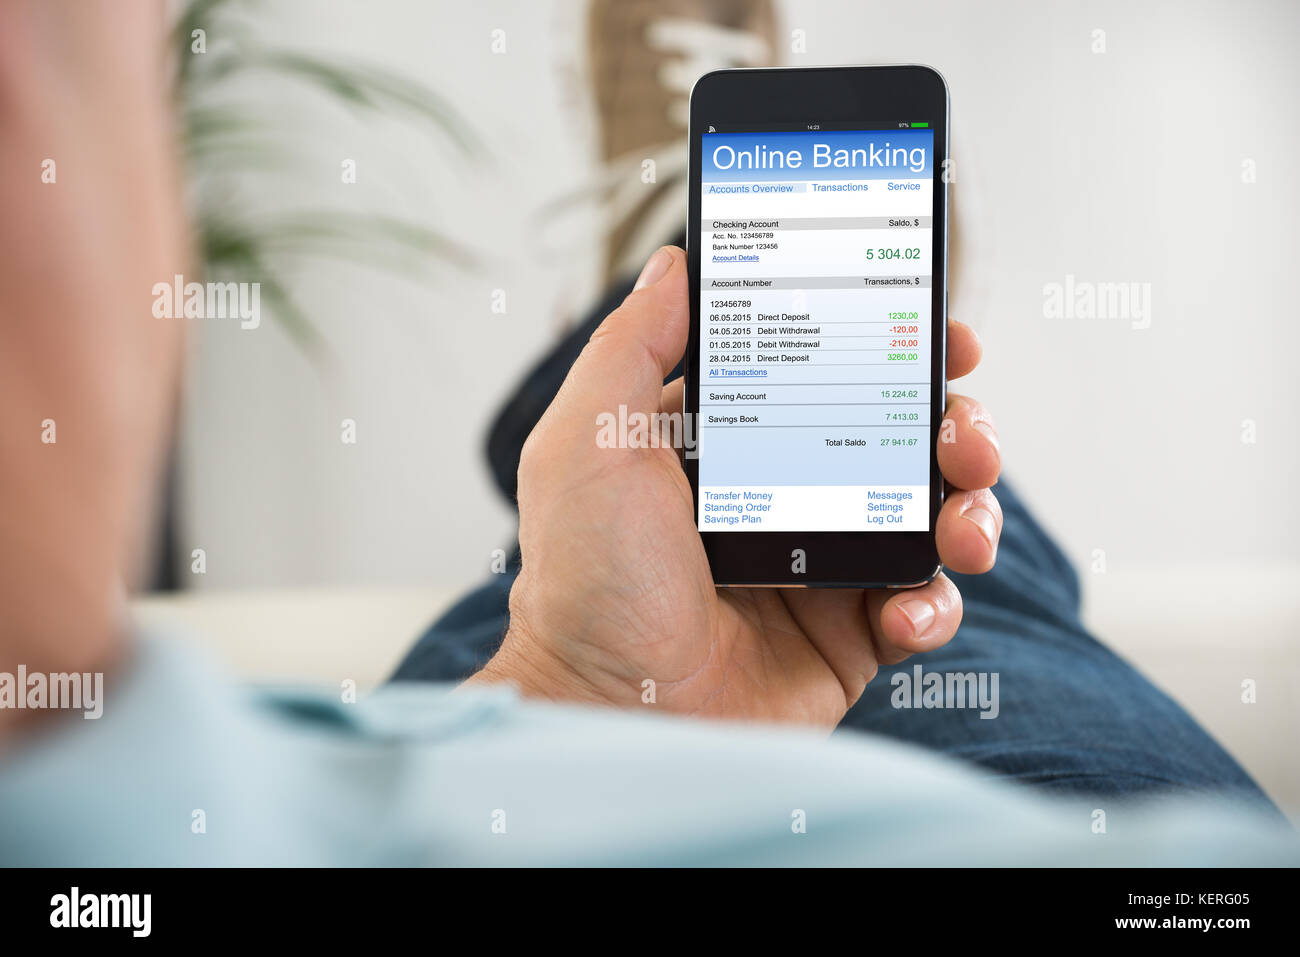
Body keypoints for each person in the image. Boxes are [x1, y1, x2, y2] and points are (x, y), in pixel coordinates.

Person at [0, 1, 1291, 867]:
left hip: (574, 718)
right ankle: (690, 264)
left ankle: (670, 265)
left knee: (657, 480)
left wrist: (572, 681)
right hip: (1029, 783)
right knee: (979, 595)